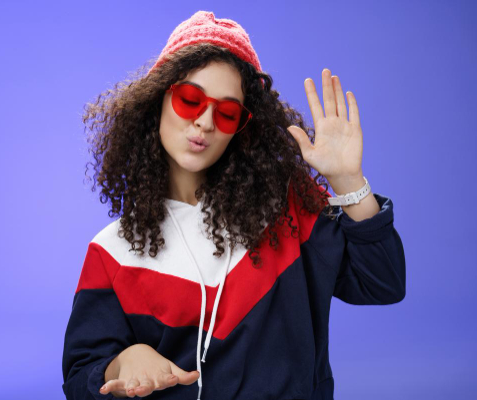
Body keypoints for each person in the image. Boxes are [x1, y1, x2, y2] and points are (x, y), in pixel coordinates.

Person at [61, 10, 406, 400]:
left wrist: (348, 182)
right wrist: (123, 362)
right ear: (158, 100)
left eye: (227, 113)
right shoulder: (112, 252)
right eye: (190, 99)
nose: (205, 122)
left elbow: (382, 283)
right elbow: (81, 375)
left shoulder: (289, 214)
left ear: (242, 129)